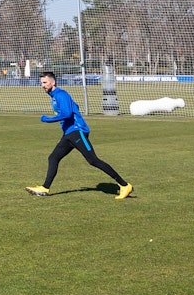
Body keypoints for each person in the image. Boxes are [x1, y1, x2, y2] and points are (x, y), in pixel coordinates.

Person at [25, 72, 133, 200]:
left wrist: (48, 119)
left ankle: (124, 185)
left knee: (93, 160)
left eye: (44, 82)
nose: (42, 85)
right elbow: (75, 107)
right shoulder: (55, 96)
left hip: (77, 131)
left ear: (53, 82)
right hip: (69, 134)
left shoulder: (61, 95)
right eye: (41, 83)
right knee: (53, 157)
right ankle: (45, 188)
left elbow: (67, 114)